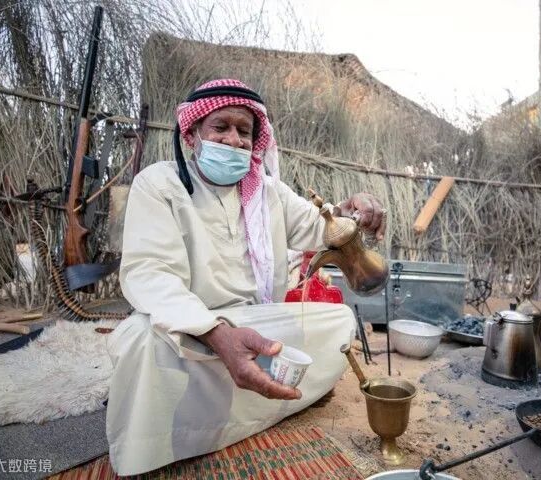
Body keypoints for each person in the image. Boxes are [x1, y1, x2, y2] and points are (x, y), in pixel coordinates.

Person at [105, 79, 386, 475]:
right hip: (191, 328)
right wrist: (218, 336)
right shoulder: (159, 184)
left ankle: (242, 403)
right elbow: (150, 274)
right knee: (139, 340)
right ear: (192, 134)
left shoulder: (268, 192)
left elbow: (320, 227)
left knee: (339, 322)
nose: (235, 140)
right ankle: (175, 439)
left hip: (256, 324)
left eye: (244, 131)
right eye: (221, 127)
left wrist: (351, 212)